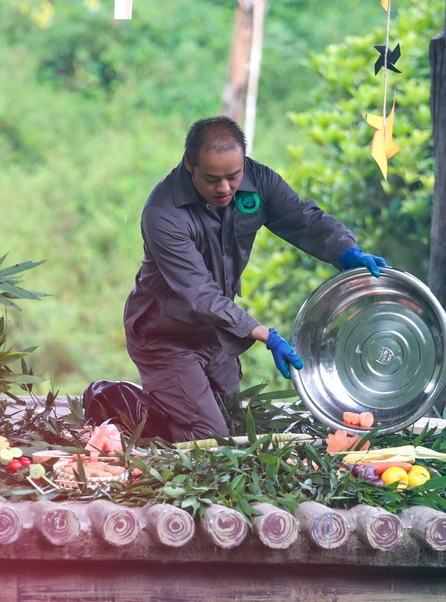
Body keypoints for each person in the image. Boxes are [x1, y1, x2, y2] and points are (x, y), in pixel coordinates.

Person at [123, 116, 387, 442]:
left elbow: (303, 219)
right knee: (209, 436)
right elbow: (201, 295)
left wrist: (347, 252)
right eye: (212, 179)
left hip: (214, 332)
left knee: (234, 426)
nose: (224, 189)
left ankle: (170, 405)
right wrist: (265, 335)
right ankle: (120, 411)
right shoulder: (163, 214)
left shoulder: (257, 180)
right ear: (189, 164)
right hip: (165, 336)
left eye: (233, 176)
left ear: (244, 162)